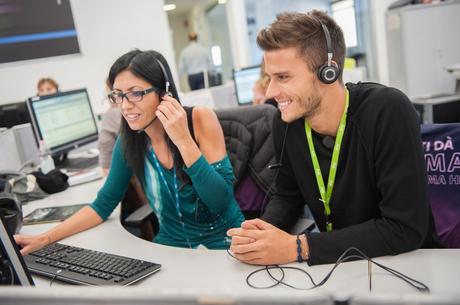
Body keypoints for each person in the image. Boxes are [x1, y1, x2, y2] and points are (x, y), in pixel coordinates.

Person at [227, 10, 440, 266]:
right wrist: (261, 235)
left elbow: (404, 228)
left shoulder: (387, 111)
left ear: (328, 72)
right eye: (268, 78)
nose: (271, 92)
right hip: (341, 265)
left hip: (411, 265)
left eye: (283, 77)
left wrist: (299, 247)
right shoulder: (287, 123)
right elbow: (286, 196)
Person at [15, 49, 244, 254]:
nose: (125, 106)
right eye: (118, 95)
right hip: (172, 247)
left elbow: (220, 202)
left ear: (164, 93)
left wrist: (183, 139)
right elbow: (103, 205)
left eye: (135, 93)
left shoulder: (200, 119)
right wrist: (44, 239)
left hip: (226, 242)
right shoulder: (129, 142)